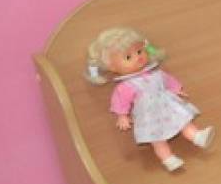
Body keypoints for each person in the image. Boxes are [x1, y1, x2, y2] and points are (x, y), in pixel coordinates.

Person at [85, 27, 214, 173]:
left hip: (169, 107)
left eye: (139, 51)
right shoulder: (125, 86)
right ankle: (168, 159)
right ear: (112, 67)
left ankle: (197, 136)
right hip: (149, 116)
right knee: (158, 140)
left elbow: (169, 81)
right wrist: (122, 116)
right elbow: (120, 102)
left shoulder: (156, 73)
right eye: (128, 57)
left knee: (183, 122)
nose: (138, 57)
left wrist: (177, 89)